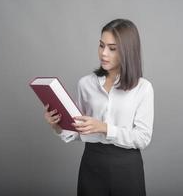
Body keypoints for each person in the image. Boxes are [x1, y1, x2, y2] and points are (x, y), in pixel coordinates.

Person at [44, 18, 154, 196]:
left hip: (127, 168)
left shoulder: (143, 88)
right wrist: (57, 125)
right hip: (92, 164)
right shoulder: (85, 84)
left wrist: (104, 128)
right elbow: (78, 131)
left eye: (112, 48)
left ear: (127, 51)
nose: (103, 53)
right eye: (101, 45)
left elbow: (142, 138)